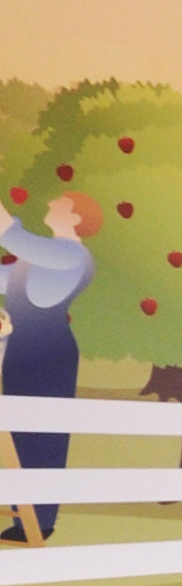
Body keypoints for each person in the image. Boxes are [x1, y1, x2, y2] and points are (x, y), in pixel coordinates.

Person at [0, 192, 99, 544]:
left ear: (74, 219)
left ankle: (38, 522)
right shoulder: (39, 259)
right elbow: (5, 277)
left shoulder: (70, 255)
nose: (49, 205)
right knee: (20, 437)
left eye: (57, 205)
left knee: (42, 438)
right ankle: (26, 519)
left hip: (47, 352)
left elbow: (11, 236)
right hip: (21, 350)